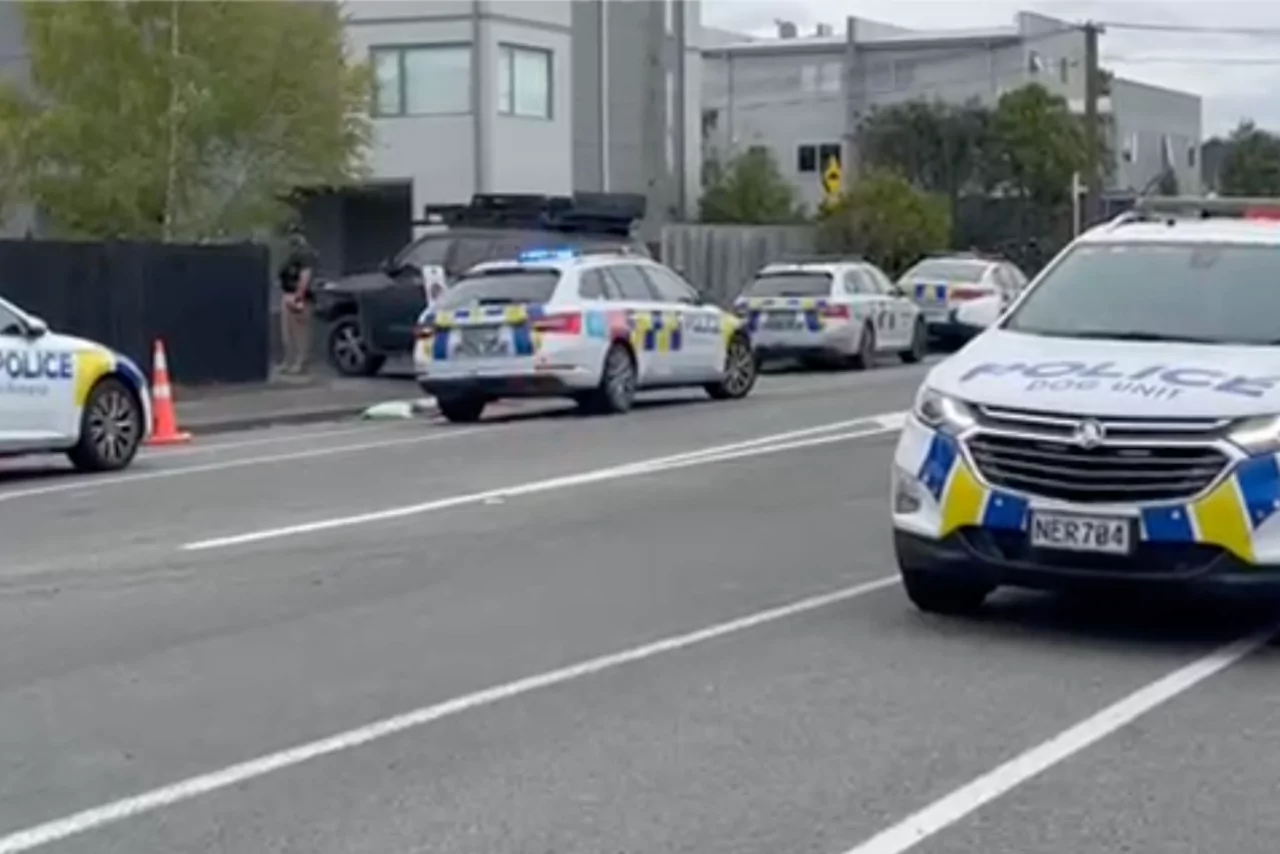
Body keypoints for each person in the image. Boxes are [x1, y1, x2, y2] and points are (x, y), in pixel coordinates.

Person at [277, 224, 318, 375]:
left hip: (300, 296)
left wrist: (299, 297)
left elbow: (305, 276)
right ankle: (288, 361)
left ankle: (301, 363)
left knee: (300, 332)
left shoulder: (305, 253)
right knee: (287, 332)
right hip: (287, 294)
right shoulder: (291, 254)